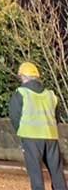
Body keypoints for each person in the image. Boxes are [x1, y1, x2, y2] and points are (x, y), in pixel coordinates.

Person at [10, 62, 66, 190]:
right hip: (51, 136)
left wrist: (21, 131)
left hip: (30, 137)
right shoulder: (51, 94)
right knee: (57, 172)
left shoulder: (21, 93)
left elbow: (14, 116)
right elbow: (56, 117)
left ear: (23, 77)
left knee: (35, 173)